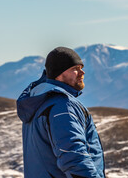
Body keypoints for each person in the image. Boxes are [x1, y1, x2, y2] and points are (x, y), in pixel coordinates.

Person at [17, 47, 106, 178]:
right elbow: (74, 158)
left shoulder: (38, 101)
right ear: (59, 73)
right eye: (75, 69)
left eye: (81, 67)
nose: (82, 73)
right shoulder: (63, 106)